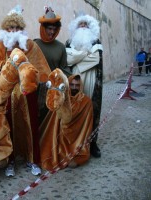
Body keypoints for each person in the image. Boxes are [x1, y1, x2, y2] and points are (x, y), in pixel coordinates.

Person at [0, 5, 50, 176]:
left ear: (22, 29)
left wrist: (47, 80)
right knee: (8, 126)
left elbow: (41, 67)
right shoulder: (1, 48)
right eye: (11, 27)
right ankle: (10, 161)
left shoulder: (30, 45)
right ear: (6, 28)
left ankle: (33, 160)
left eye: (18, 27)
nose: (15, 30)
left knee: (31, 125)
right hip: (7, 93)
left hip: (28, 93)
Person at [65, 14, 103, 158]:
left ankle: (92, 144)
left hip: (91, 80)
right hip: (75, 79)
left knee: (91, 110)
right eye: (80, 24)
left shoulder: (96, 42)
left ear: (90, 26)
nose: (83, 27)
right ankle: (74, 143)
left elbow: (95, 59)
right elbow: (68, 59)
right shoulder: (69, 42)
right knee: (75, 110)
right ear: (76, 26)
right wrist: (84, 54)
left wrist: (77, 58)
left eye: (85, 24)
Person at [40, 74, 93, 171]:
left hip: (77, 137)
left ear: (80, 86)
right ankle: (61, 153)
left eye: (77, 85)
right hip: (60, 135)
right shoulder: (62, 98)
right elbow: (55, 120)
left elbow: (86, 125)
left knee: (73, 163)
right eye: (72, 85)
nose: (74, 87)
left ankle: (72, 154)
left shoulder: (86, 101)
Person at [34, 6, 68, 124]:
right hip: (36, 90)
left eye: (54, 29)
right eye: (49, 28)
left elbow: (64, 69)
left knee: (52, 123)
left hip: (54, 90)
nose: (52, 32)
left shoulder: (61, 47)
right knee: (36, 121)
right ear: (43, 28)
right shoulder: (35, 44)